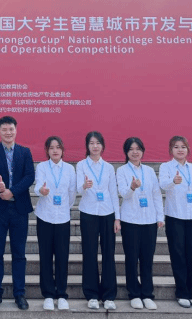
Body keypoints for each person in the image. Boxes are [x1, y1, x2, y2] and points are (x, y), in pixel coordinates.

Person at [0, 116, 35, 310]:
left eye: (11, 129)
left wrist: (12, 191)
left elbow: (30, 176)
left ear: (16, 130)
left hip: (19, 209)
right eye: (4, 129)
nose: (8, 132)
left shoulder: (25, 152)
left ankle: (19, 294)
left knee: (19, 253)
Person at [116, 137, 164, 310]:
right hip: (130, 220)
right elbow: (123, 194)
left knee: (147, 259)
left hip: (149, 220)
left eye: (138, 149)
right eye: (131, 149)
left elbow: (156, 194)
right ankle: (134, 293)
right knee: (131, 258)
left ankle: (147, 294)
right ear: (126, 152)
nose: (135, 152)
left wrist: (160, 216)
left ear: (142, 151)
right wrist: (132, 187)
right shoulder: (121, 170)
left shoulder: (149, 171)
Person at [76, 131, 120, 311]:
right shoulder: (81, 165)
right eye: (91, 143)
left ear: (103, 146)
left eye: (98, 143)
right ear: (87, 146)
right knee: (89, 252)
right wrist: (84, 186)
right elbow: (78, 189)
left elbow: (113, 193)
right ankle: (92, 294)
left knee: (109, 253)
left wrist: (117, 218)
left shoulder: (108, 167)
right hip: (88, 212)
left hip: (107, 213)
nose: (95, 146)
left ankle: (109, 295)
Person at [159, 136, 192, 309]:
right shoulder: (166, 167)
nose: (180, 150)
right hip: (175, 215)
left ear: (188, 149)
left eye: (183, 147)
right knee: (178, 254)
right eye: (176, 147)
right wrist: (173, 181)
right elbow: (162, 185)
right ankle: (182, 291)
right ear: (171, 150)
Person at [34, 136, 76, 311]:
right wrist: (42, 191)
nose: (55, 150)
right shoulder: (42, 167)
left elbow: (72, 194)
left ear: (62, 149)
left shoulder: (69, 169)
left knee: (62, 257)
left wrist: (63, 207)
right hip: (45, 216)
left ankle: (61, 294)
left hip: (63, 218)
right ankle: (48, 295)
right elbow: (37, 186)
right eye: (51, 148)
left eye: (58, 147)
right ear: (47, 150)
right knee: (45, 257)